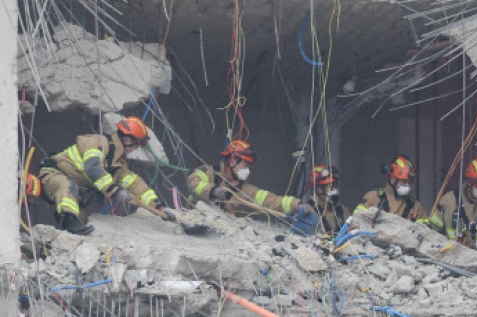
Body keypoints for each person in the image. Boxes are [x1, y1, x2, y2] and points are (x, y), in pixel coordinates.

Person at [38, 117, 171, 235]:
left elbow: (135, 183)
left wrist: (157, 205)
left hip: (74, 192)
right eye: (136, 144)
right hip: (54, 175)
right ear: (126, 139)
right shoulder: (98, 142)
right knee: (68, 187)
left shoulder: (117, 162)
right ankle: (70, 222)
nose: (135, 149)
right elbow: (93, 168)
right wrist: (114, 191)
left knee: (81, 224)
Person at [187, 139, 317, 234]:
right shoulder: (207, 173)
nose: (248, 170)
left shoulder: (245, 190)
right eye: (245, 166)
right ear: (232, 161)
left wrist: (296, 205)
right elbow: (194, 183)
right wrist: (212, 191)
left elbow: (272, 201)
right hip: (192, 224)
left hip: (218, 232)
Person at [353, 155, 428, 224]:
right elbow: (355, 224)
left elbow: (426, 234)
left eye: (409, 181)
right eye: (404, 181)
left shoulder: (416, 207)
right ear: (393, 179)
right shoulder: (373, 198)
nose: (407, 185)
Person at [305, 165, 351, 235]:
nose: (335, 190)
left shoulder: (343, 210)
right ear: (319, 190)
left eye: (336, 185)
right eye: (332, 186)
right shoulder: (308, 211)